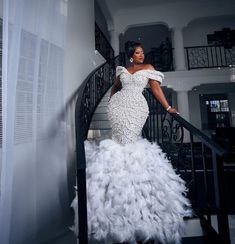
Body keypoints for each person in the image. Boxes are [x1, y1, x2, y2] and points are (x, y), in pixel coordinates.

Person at [71, 41, 192, 244]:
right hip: (117, 108)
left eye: (142, 53)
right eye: (138, 53)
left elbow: (155, 89)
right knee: (119, 143)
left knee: (130, 142)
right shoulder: (122, 70)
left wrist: (169, 107)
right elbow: (116, 88)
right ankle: (119, 192)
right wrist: (111, 102)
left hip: (137, 107)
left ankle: (136, 195)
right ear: (130, 55)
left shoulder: (149, 69)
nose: (141, 56)